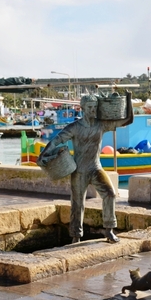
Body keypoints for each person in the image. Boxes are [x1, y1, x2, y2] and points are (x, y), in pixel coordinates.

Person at [37, 92, 134, 243]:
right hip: (79, 171)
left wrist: (128, 99)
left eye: (95, 107)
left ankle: (109, 230)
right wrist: (43, 154)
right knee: (77, 204)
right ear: (82, 108)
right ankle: (76, 236)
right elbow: (56, 140)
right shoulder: (75, 127)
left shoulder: (101, 124)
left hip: (96, 168)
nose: (93, 110)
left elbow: (127, 121)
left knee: (110, 194)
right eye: (89, 107)